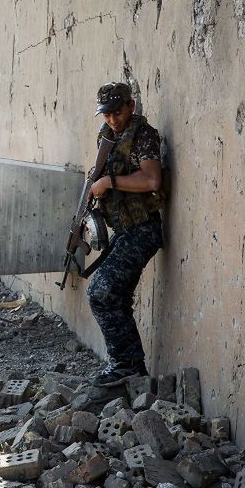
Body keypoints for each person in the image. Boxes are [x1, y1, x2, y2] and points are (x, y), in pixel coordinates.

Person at [86, 82, 164, 385]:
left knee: (101, 293)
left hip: (142, 229)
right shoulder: (106, 137)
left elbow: (152, 180)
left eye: (117, 112)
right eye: (106, 114)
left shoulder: (143, 135)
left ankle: (125, 365)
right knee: (114, 296)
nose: (112, 120)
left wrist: (109, 183)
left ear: (131, 106)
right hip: (124, 229)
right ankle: (130, 369)